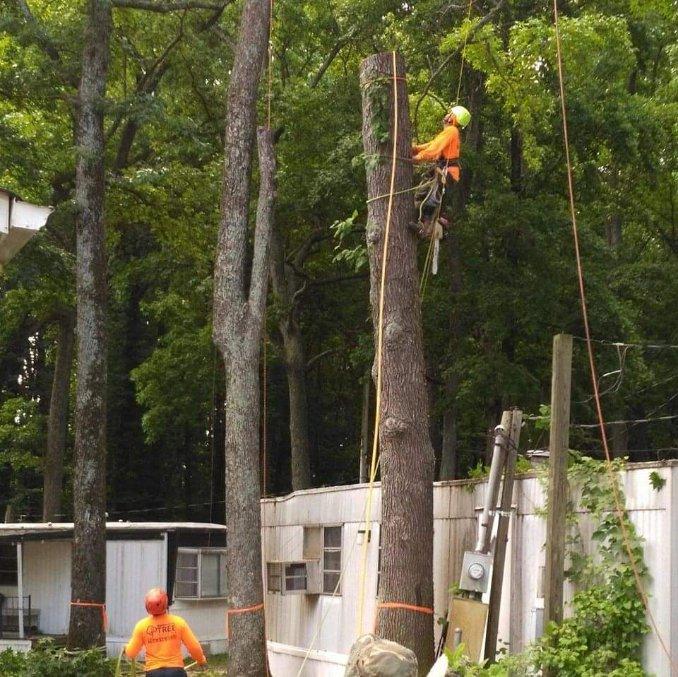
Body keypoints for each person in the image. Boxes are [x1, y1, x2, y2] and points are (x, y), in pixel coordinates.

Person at [410, 105, 471, 237]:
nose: (447, 115)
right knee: (422, 194)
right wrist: (416, 149)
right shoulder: (450, 132)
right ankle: (422, 223)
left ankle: (424, 228)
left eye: (450, 113)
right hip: (443, 171)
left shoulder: (452, 131)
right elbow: (434, 143)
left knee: (430, 198)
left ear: (453, 118)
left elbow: (435, 149)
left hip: (447, 172)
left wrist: (419, 157)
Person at [125, 588, 208, 676]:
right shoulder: (178, 622)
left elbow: (131, 653)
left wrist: (126, 649)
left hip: (154, 673)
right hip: (176, 672)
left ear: (147, 606)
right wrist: (201, 660)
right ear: (165, 603)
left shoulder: (141, 626)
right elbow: (194, 647)